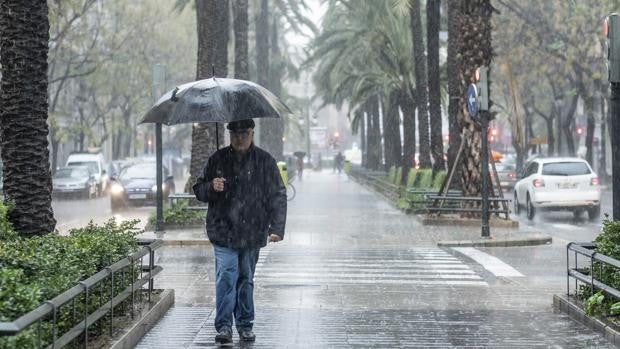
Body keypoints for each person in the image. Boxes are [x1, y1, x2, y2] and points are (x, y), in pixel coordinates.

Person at [193, 119, 287, 344]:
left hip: (252, 231)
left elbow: (277, 194)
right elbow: (199, 189)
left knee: (246, 279)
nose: (240, 137)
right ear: (229, 134)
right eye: (235, 133)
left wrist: (277, 228)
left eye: (244, 133)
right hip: (223, 231)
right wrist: (211, 187)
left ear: (252, 133)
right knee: (226, 276)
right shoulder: (217, 159)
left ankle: (245, 325)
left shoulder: (264, 161)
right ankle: (224, 326)